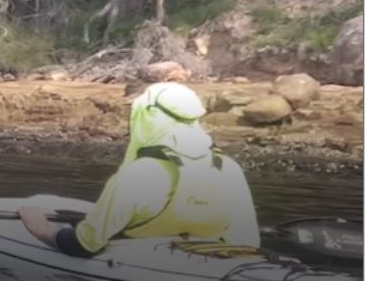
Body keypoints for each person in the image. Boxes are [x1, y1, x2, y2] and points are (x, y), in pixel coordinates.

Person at [18, 81, 260, 257]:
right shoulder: (228, 169)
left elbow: (82, 246)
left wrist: (42, 229)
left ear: (149, 117)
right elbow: (248, 246)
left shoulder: (141, 175)